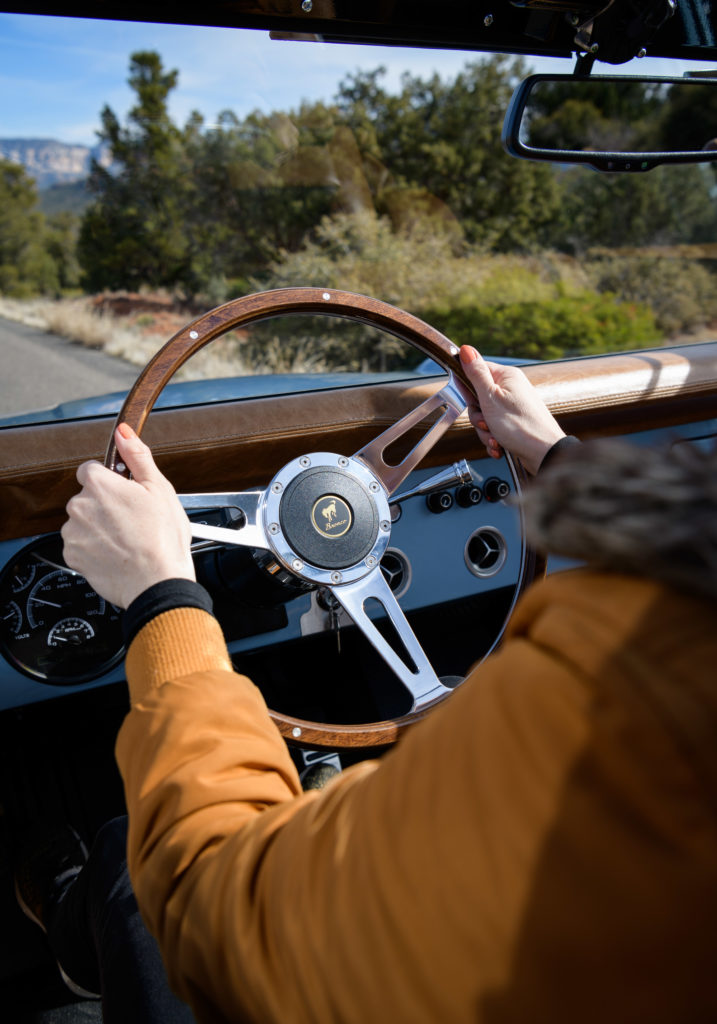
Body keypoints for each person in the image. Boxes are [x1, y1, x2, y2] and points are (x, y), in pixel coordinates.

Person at [22, 346, 717, 1021]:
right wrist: (555, 455)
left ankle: (69, 938)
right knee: (439, 687)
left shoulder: (620, 734)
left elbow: (215, 899)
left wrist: (160, 590)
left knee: (132, 863)